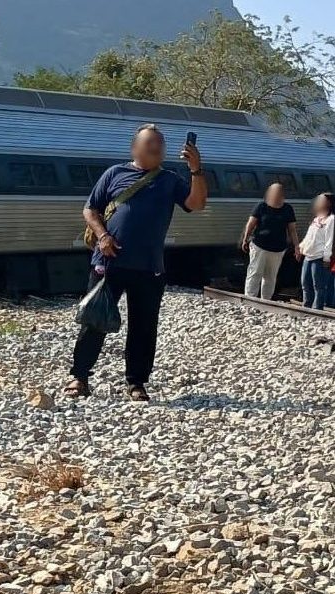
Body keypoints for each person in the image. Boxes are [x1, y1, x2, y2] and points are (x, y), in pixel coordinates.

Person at [65, 123, 207, 401]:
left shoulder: (170, 179)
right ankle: (79, 377)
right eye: (150, 142)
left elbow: (196, 204)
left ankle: (136, 382)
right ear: (135, 147)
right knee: (94, 320)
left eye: (160, 143)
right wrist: (103, 235)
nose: (157, 147)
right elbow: (90, 209)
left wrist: (196, 170)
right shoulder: (114, 173)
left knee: (144, 326)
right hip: (109, 262)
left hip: (149, 266)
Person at [240, 182, 299, 300]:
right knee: (255, 272)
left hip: (278, 248)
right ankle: (249, 299)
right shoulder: (261, 206)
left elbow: (292, 230)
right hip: (259, 245)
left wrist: (297, 246)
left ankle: (266, 300)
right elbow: (251, 224)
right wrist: (245, 238)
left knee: (270, 276)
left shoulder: (287, 209)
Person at [298, 192, 334, 310]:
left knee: (318, 285)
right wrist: (301, 247)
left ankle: (317, 309)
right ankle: (306, 306)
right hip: (308, 255)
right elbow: (309, 236)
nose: (318, 202)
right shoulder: (316, 219)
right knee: (305, 282)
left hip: (319, 257)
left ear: (328, 203)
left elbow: (329, 239)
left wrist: (327, 258)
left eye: (321, 200)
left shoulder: (331, 219)